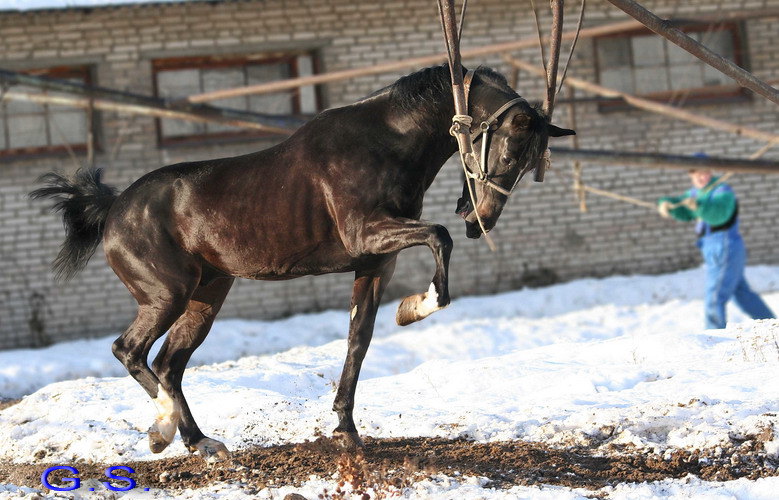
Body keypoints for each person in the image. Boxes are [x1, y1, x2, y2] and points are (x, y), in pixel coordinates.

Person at [657, 167, 775, 329]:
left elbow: (719, 216)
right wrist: (667, 205)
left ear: (710, 173)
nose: (701, 177)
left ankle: (714, 340)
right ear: (691, 175)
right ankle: (773, 327)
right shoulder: (695, 193)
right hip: (712, 247)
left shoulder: (722, 191)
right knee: (742, 293)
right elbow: (683, 209)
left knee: (715, 295)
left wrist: (699, 206)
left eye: (704, 173)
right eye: (696, 174)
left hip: (725, 246)